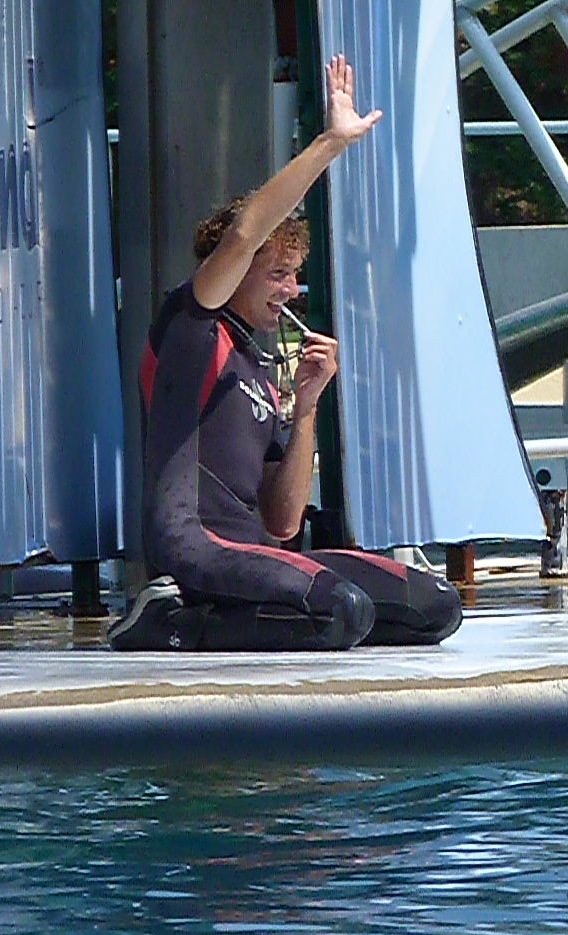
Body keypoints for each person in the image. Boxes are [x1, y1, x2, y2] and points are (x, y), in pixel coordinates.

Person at [108, 55, 462, 652]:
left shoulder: (259, 368)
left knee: (434, 608)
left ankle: (218, 615)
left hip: (252, 553)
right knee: (341, 613)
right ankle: (167, 620)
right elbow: (246, 232)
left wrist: (306, 406)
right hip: (192, 546)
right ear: (235, 271)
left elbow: (283, 520)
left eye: (295, 275)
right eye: (277, 274)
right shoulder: (191, 328)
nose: (292, 290)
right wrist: (329, 144)